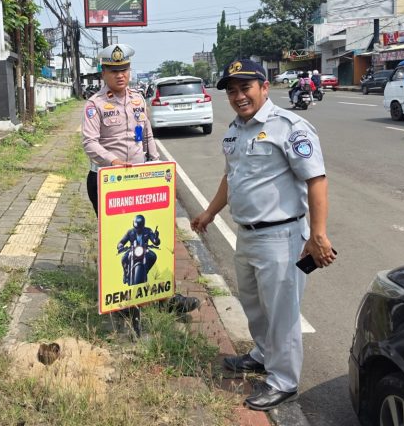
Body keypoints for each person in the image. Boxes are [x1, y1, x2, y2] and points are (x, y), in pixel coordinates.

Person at [190, 58, 335, 411]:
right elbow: (232, 177)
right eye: (233, 90)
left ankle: (284, 381)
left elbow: (316, 180)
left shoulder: (290, 127)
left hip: (282, 237)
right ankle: (262, 353)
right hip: (247, 234)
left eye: (246, 88)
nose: (239, 96)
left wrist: (318, 235)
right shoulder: (235, 131)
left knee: (282, 312)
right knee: (253, 304)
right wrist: (209, 212)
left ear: (264, 87)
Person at [82, 43, 199, 314]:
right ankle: (122, 300)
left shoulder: (137, 99)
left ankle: (164, 296)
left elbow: (146, 133)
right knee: (117, 241)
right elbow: (89, 142)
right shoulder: (95, 105)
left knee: (153, 238)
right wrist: (113, 162)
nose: (120, 75)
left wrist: (156, 162)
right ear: (104, 73)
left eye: (124, 69)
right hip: (107, 181)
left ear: (130, 70)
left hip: (140, 180)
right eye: (113, 71)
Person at [118, 215, 159, 284]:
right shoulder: (130, 232)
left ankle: (146, 269)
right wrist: (121, 246)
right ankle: (125, 273)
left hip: (144, 250)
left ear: (143, 226)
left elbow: (155, 242)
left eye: (139, 228)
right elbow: (121, 242)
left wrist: (156, 238)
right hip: (132, 250)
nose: (137, 229)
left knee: (153, 256)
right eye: (136, 228)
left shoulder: (148, 231)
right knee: (123, 258)